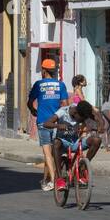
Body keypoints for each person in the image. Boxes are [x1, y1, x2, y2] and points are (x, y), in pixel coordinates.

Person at [27, 58, 68, 191]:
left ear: (44, 71)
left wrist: (34, 111)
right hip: (57, 123)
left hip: (43, 123)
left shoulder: (38, 85)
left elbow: (30, 102)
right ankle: (47, 180)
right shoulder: (61, 85)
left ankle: (57, 180)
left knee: (47, 153)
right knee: (51, 153)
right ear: (54, 71)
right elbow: (65, 105)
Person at [42, 100, 99, 182]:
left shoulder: (81, 109)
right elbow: (46, 124)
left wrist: (99, 125)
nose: (82, 121)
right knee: (56, 142)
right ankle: (59, 178)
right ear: (75, 113)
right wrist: (58, 125)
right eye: (81, 118)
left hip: (75, 142)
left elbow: (96, 117)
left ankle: (82, 169)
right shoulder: (62, 112)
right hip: (62, 142)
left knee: (96, 140)